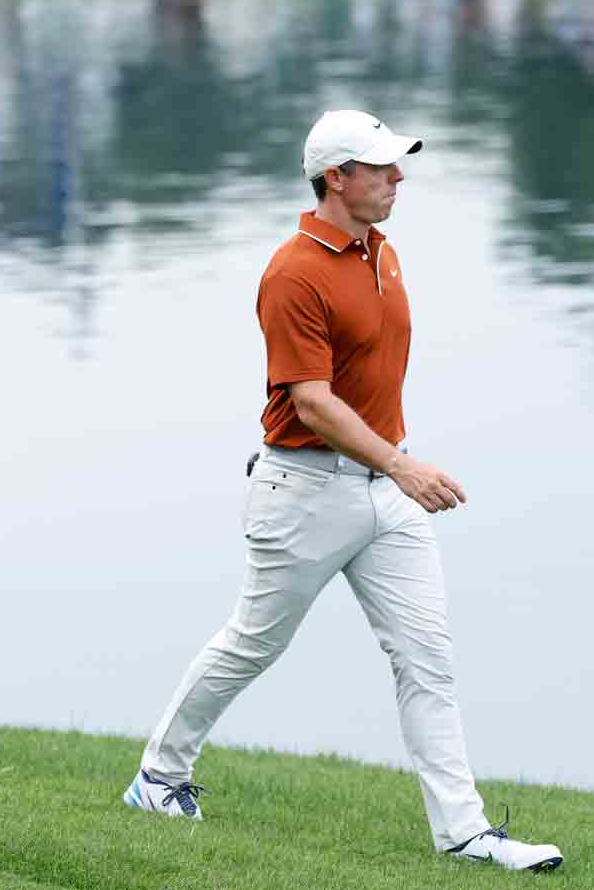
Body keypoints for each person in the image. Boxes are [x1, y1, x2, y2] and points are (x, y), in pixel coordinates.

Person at [120, 110, 564, 872]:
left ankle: (464, 833)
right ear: (336, 177)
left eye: (398, 165)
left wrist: (394, 468)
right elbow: (311, 402)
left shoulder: (381, 252)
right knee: (255, 642)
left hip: (386, 493)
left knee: (427, 656)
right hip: (304, 491)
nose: (398, 178)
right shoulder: (293, 271)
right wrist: (403, 467)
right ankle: (160, 776)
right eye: (382, 167)